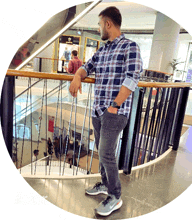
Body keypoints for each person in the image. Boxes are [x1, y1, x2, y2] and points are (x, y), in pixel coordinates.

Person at [69, 6, 142, 216]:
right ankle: (104, 183)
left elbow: (132, 78)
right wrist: (76, 76)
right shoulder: (102, 50)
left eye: (100, 24)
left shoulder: (130, 47)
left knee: (106, 152)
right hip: (98, 110)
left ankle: (115, 195)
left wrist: (115, 105)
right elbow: (86, 67)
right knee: (101, 151)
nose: (99, 28)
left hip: (115, 111)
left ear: (108, 24)